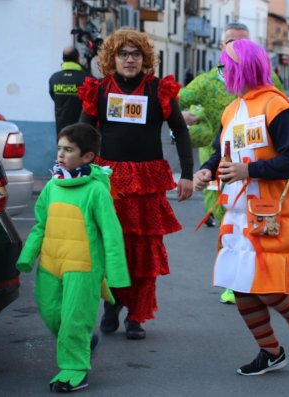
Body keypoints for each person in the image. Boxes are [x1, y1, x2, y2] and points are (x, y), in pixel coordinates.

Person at [193, 39, 289, 376]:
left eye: (227, 66)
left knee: (266, 286)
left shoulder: (277, 106)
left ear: (242, 68)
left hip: (271, 212)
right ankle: (271, 352)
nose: (223, 73)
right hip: (237, 213)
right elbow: (220, 151)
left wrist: (248, 170)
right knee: (240, 286)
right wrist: (208, 169)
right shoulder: (231, 110)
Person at [78, 28, 194, 340]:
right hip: (110, 181)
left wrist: (187, 174)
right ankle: (112, 306)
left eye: (135, 54)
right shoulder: (100, 90)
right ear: (111, 58)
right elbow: (81, 134)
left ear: (144, 59)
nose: (130, 60)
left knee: (145, 251)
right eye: (123, 54)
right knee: (111, 248)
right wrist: (73, 170)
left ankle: (137, 316)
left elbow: (181, 132)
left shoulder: (158, 90)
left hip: (148, 181)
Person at [16, 123, 130, 392]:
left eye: (69, 150)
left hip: (83, 267)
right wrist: (27, 256)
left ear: (88, 157)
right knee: (51, 313)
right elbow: (41, 224)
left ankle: (75, 368)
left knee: (73, 318)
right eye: (59, 149)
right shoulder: (53, 186)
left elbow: (112, 235)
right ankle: (81, 341)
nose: (61, 155)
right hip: (50, 264)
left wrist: (115, 273)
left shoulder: (96, 190)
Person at [179, 22, 285, 305]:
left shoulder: (270, 83)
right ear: (221, 46)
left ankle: (264, 287)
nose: (235, 48)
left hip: (261, 177)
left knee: (262, 236)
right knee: (229, 225)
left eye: (241, 43)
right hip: (220, 162)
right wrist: (190, 118)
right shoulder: (208, 82)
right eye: (230, 42)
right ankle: (234, 283)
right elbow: (176, 100)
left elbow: (288, 137)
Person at [49, 47, 92, 134]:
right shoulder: (88, 79)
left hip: (62, 132)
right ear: (77, 58)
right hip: (82, 132)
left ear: (63, 59)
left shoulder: (54, 78)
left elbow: (54, 97)